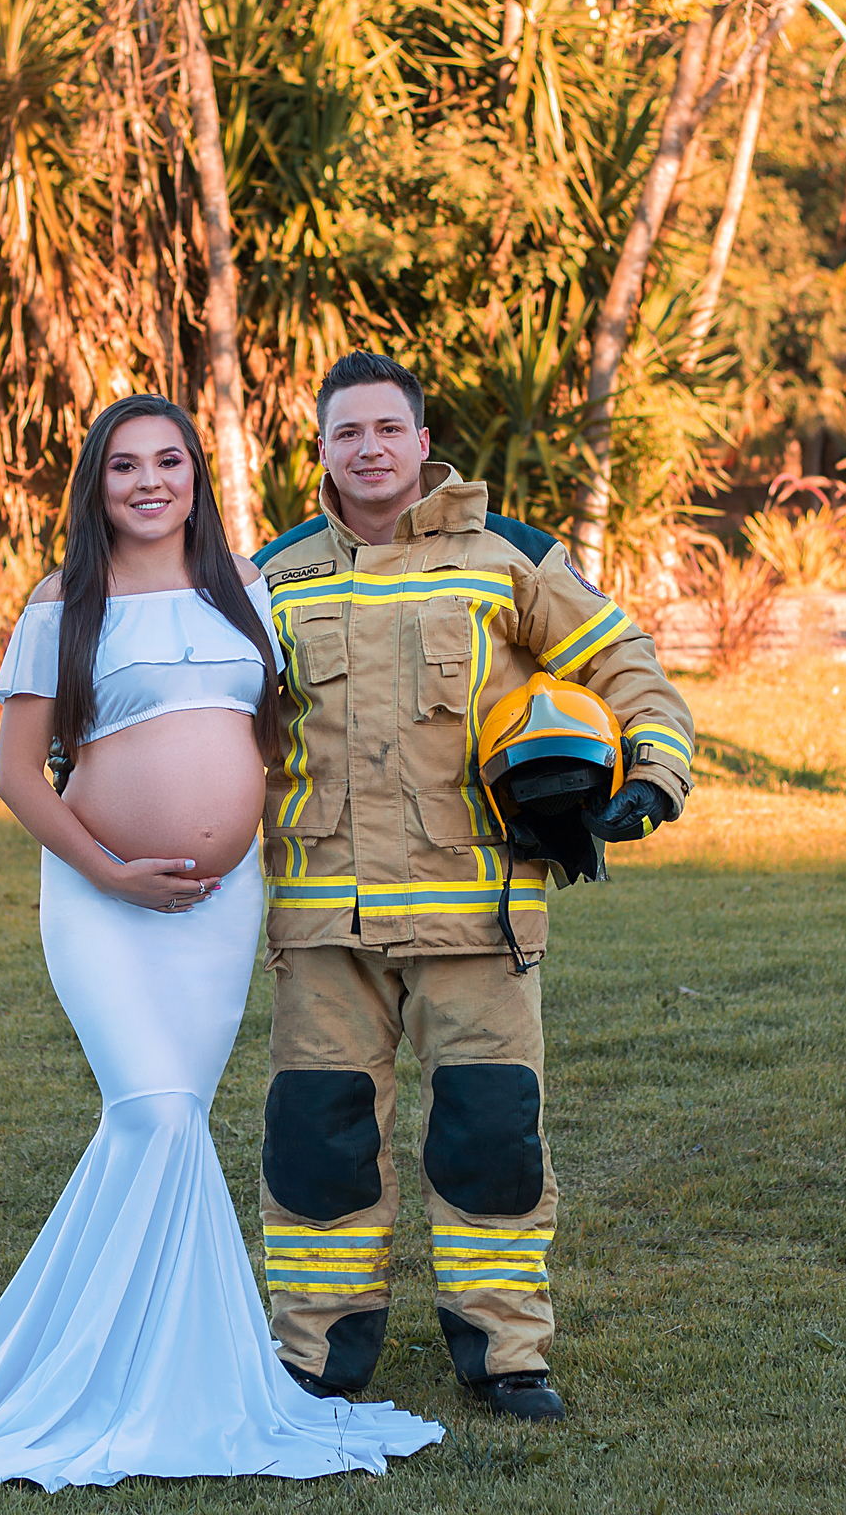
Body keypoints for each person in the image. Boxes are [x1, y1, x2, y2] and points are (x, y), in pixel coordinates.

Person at [0, 394, 442, 1491]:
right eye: (124, 467)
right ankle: (131, 1382)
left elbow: (270, 726)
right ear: (95, 487)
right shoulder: (64, 602)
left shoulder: (244, 590)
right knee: (150, 1112)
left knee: (170, 1125)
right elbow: (15, 773)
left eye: (170, 462)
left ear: (196, 476)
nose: (151, 482)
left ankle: (139, 1364)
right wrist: (111, 871)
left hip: (216, 905)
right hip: (103, 903)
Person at [252, 353, 694, 1422]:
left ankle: (507, 1354)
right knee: (318, 1145)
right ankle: (317, 1354)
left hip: (477, 918)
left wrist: (653, 774)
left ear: (419, 439)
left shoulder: (510, 558)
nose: (368, 449)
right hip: (323, 927)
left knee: (491, 1141)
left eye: (386, 430)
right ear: (321, 449)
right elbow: (185, 697)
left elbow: (624, 662)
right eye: (346, 432)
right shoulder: (271, 575)